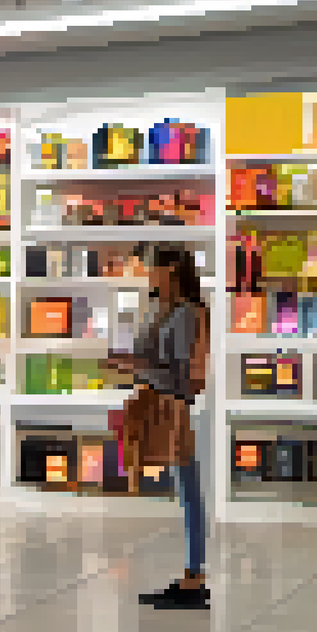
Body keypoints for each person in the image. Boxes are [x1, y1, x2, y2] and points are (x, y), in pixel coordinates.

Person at [110, 244, 211, 610]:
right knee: (188, 491)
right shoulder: (166, 309)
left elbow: (180, 376)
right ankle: (192, 575)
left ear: (171, 270)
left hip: (174, 407)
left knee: (190, 491)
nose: (148, 274)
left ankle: (194, 579)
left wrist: (133, 366)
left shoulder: (184, 314)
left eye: (153, 268)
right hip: (168, 404)